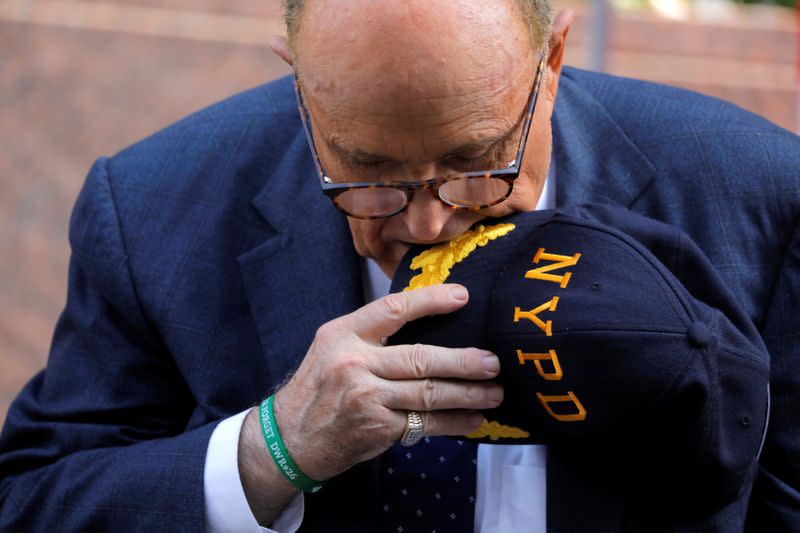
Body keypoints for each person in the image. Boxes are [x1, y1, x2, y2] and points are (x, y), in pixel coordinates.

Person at [0, 0, 797, 531]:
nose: (424, 222)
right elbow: (29, 503)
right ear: (300, 85)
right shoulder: (147, 210)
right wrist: (269, 450)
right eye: (366, 173)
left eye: (478, 161)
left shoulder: (756, 195)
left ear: (551, 61)